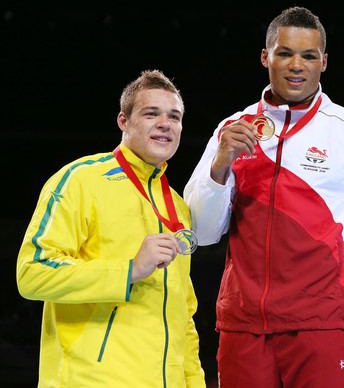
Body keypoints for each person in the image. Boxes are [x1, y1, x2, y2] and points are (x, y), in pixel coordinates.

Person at [184, 6, 344, 388]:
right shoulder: (232, 130)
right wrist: (220, 165)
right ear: (266, 56)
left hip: (323, 323)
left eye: (308, 56)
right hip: (244, 327)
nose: (297, 65)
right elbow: (203, 233)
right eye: (285, 53)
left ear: (323, 62)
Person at [16, 70, 207, 388]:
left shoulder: (178, 207)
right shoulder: (80, 180)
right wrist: (129, 270)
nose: (165, 123)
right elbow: (32, 273)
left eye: (174, 116)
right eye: (151, 113)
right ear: (123, 121)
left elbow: (183, 315)